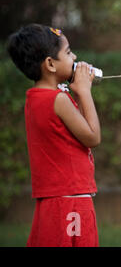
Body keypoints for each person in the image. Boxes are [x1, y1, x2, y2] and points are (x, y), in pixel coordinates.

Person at [7, 24, 101, 246]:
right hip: (71, 201)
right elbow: (93, 137)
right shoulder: (57, 100)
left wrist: (75, 94)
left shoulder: (35, 98)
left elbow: (67, 134)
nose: (75, 56)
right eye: (68, 52)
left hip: (53, 201)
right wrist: (85, 92)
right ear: (50, 64)